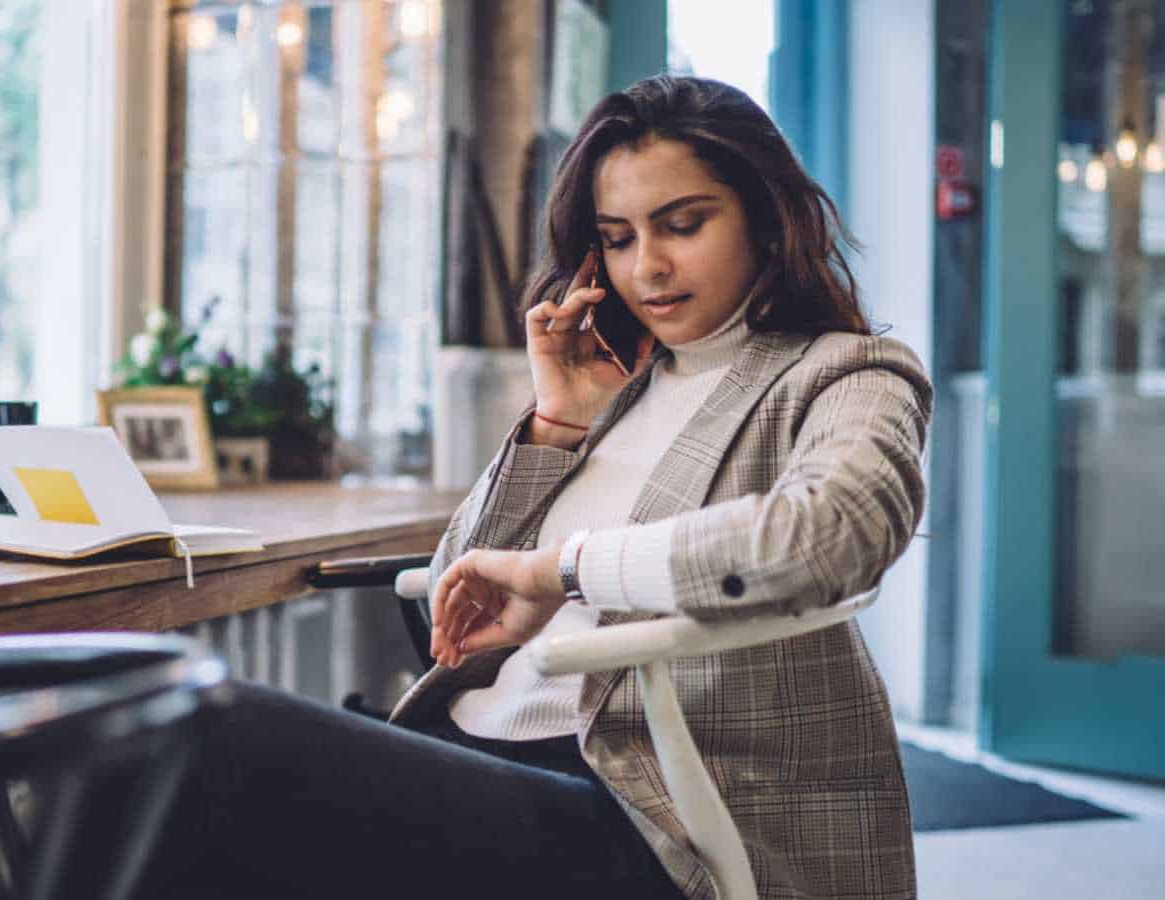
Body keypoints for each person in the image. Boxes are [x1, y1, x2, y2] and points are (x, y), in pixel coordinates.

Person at [136, 75, 930, 900]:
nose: (647, 267)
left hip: (644, 802)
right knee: (163, 769)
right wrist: (558, 424)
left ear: (767, 219)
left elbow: (829, 537)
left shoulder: (846, 374)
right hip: (481, 747)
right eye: (617, 239)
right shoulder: (618, 389)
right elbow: (459, 580)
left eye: (683, 225)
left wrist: (563, 570)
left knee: (205, 733)